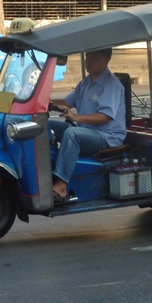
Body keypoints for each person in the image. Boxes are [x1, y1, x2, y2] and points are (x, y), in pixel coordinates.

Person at [49, 48, 126, 203]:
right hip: (86, 131)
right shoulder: (86, 82)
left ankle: (61, 186)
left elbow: (105, 117)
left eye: (93, 58)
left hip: (107, 136)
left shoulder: (111, 85)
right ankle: (44, 171)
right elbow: (66, 103)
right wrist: (43, 102)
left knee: (72, 134)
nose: (88, 61)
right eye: (87, 57)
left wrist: (76, 117)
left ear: (106, 60)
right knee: (46, 124)